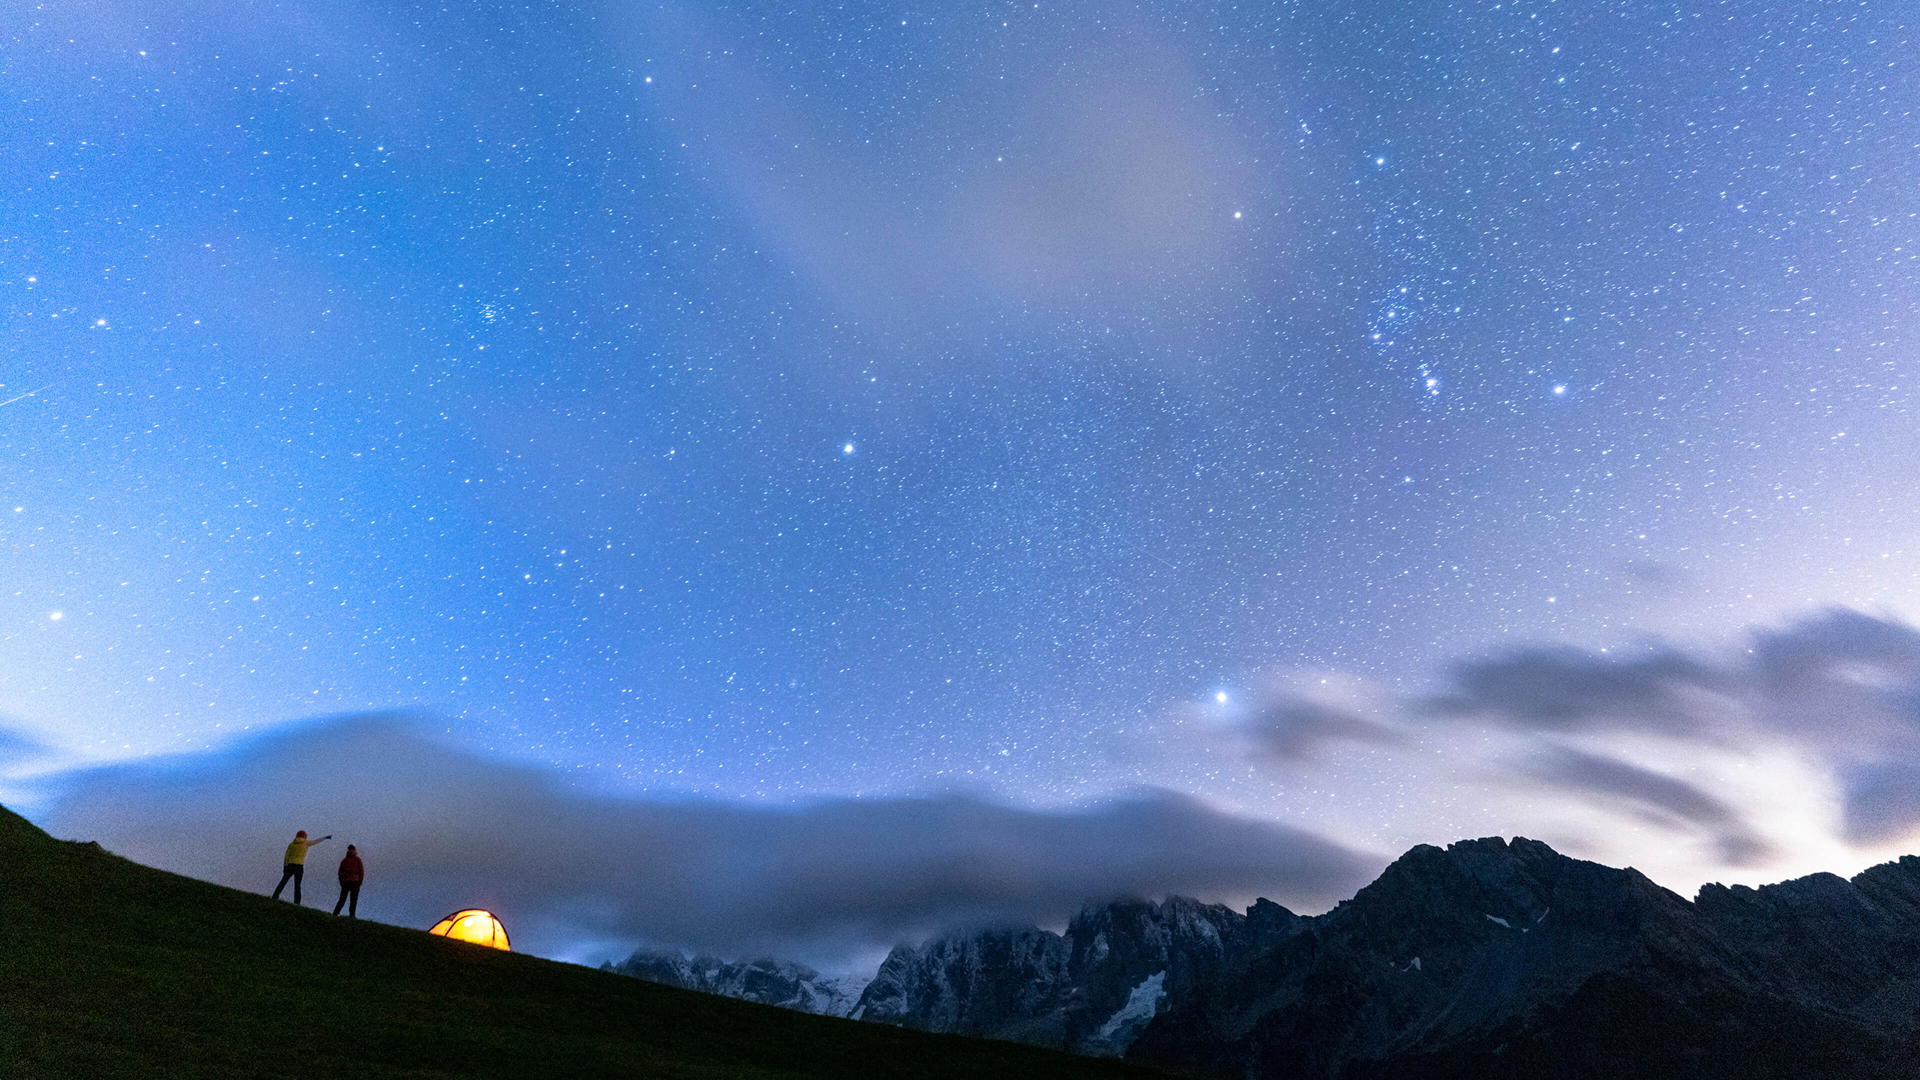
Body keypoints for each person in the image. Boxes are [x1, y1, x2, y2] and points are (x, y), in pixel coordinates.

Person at [271, 829, 330, 904]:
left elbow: (286, 856)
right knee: (297, 885)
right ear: (305, 836)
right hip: (299, 866)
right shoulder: (306, 843)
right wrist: (325, 838)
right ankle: (297, 902)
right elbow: (316, 841)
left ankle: (275, 896)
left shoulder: (291, 844)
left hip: (290, 865)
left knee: (283, 881)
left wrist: (285, 867)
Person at [333, 844, 364, 918]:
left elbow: (340, 872)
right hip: (355, 882)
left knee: (342, 899)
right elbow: (361, 871)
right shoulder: (358, 859)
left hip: (346, 882)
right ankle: (352, 915)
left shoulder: (344, 860)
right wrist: (360, 882)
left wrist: (341, 882)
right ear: (355, 850)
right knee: (353, 900)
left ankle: (335, 913)